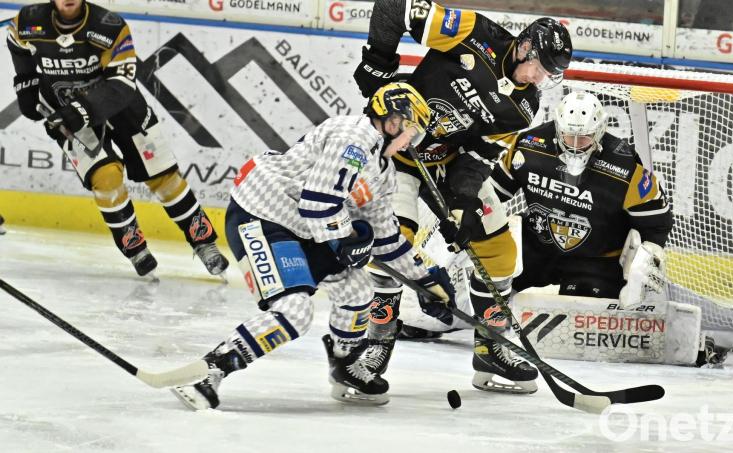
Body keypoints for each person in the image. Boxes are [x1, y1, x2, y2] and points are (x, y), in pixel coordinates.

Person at [170, 83, 457, 410]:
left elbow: (387, 237)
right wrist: (349, 239)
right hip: (262, 213)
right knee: (294, 312)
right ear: (393, 122)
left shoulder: (382, 170)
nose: (413, 143)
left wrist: (426, 280)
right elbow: (318, 203)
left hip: (303, 228)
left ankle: (345, 363)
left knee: (357, 293)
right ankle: (210, 369)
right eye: (413, 133)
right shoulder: (354, 138)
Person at [352, 0, 572, 394]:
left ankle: (490, 349)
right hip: (399, 153)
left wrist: (464, 201)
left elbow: (479, 155)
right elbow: (393, 7)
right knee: (393, 245)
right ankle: (376, 343)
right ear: (524, 47)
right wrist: (379, 62)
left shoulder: (525, 107)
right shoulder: (473, 32)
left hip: (449, 163)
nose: (538, 77)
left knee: (500, 252)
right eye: (537, 66)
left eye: (547, 74)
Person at [6, 0, 228, 277]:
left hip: (120, 107)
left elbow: (122, 85)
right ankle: (135, 248)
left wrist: (81, 110)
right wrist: (26, 82)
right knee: (106, 178)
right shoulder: (27, 21)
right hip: (66, 111)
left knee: (162, 177)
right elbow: (17, 45)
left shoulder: (110, 26)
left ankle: (204, 243)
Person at [490, 91, 673, 303]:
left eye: (584, 138)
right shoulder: (528, 146)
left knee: (583, 315)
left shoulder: (626, 167)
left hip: (597, 260)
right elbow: (493, 193)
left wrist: (646, 258)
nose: (575, 146)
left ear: (599, 132)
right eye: (569, 136)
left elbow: (657, 223)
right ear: (558, 129)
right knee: (491, 282)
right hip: (538, 250)